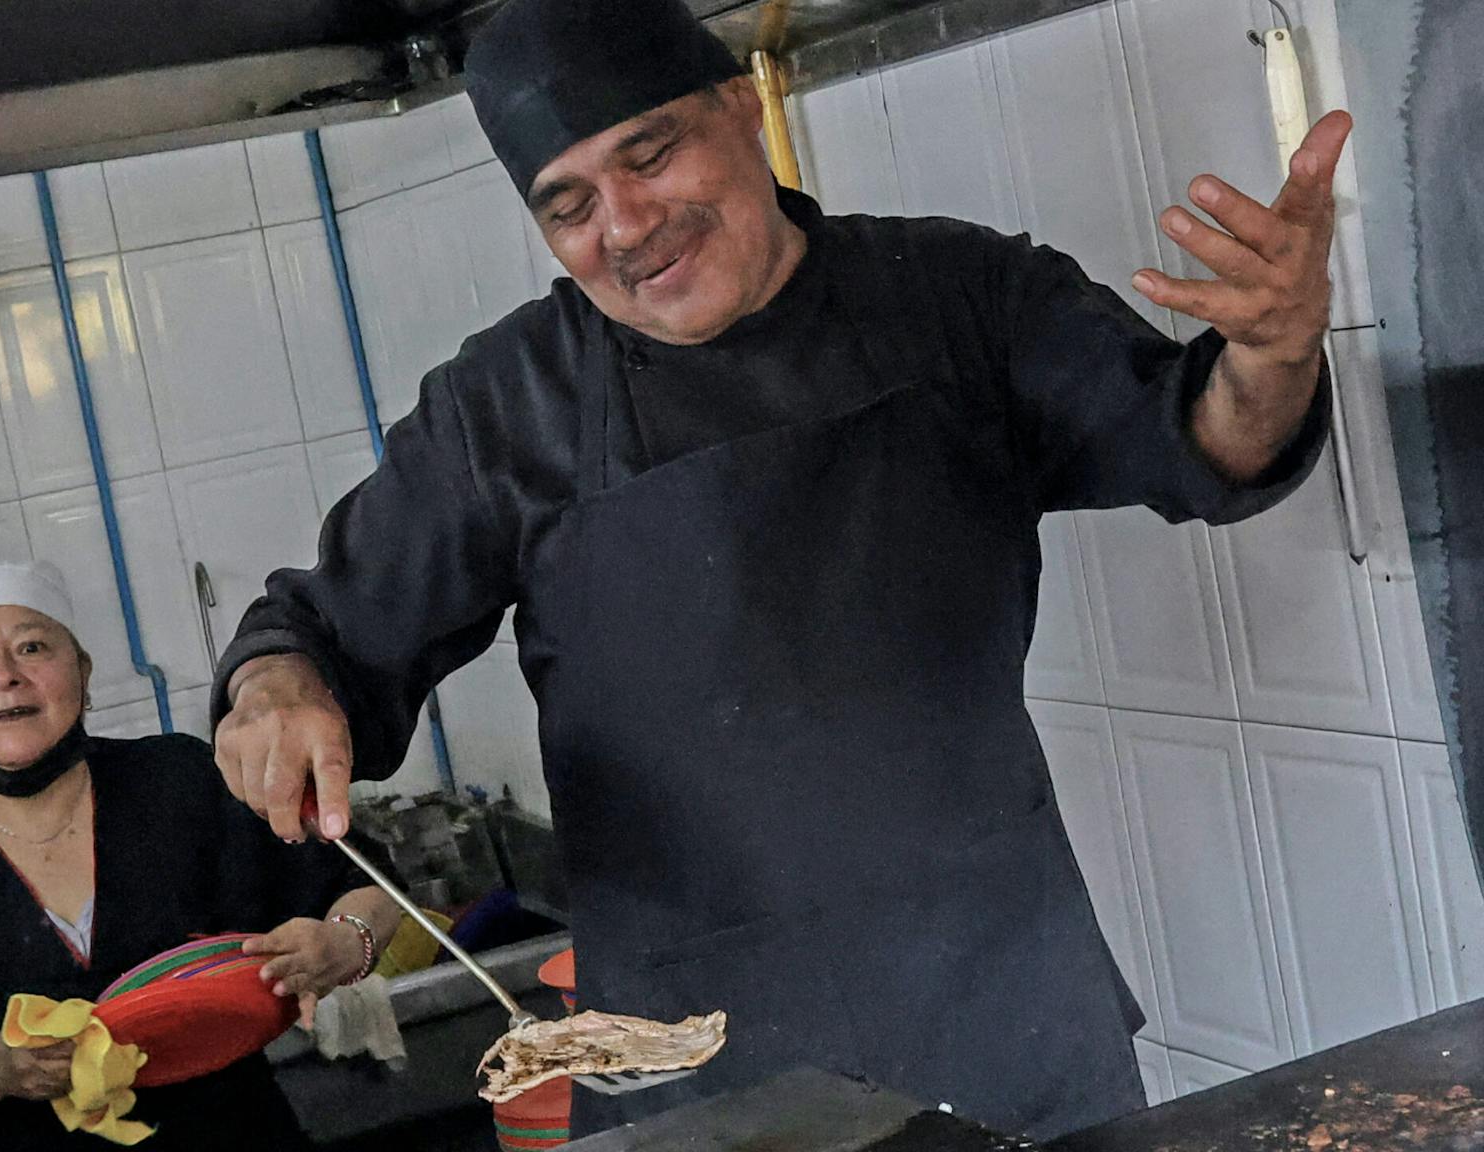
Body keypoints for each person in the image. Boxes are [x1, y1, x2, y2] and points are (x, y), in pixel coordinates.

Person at [210, 0, 1347, 1140]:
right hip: (691, 1056)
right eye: (570, 205)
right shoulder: (503, 407)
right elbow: (317, 634)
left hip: (1001, 1003)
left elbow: (1202, 442)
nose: (626, 225)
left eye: (649, 154)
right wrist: (275, 690)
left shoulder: (957, 294)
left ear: (741, 108)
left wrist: (1274, 352)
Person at [0, 558, 398, 1151]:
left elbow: (372, 886)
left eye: (32, 648)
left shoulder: (181, 780)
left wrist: (343, 944)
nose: (3, 677)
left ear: (82, 670)